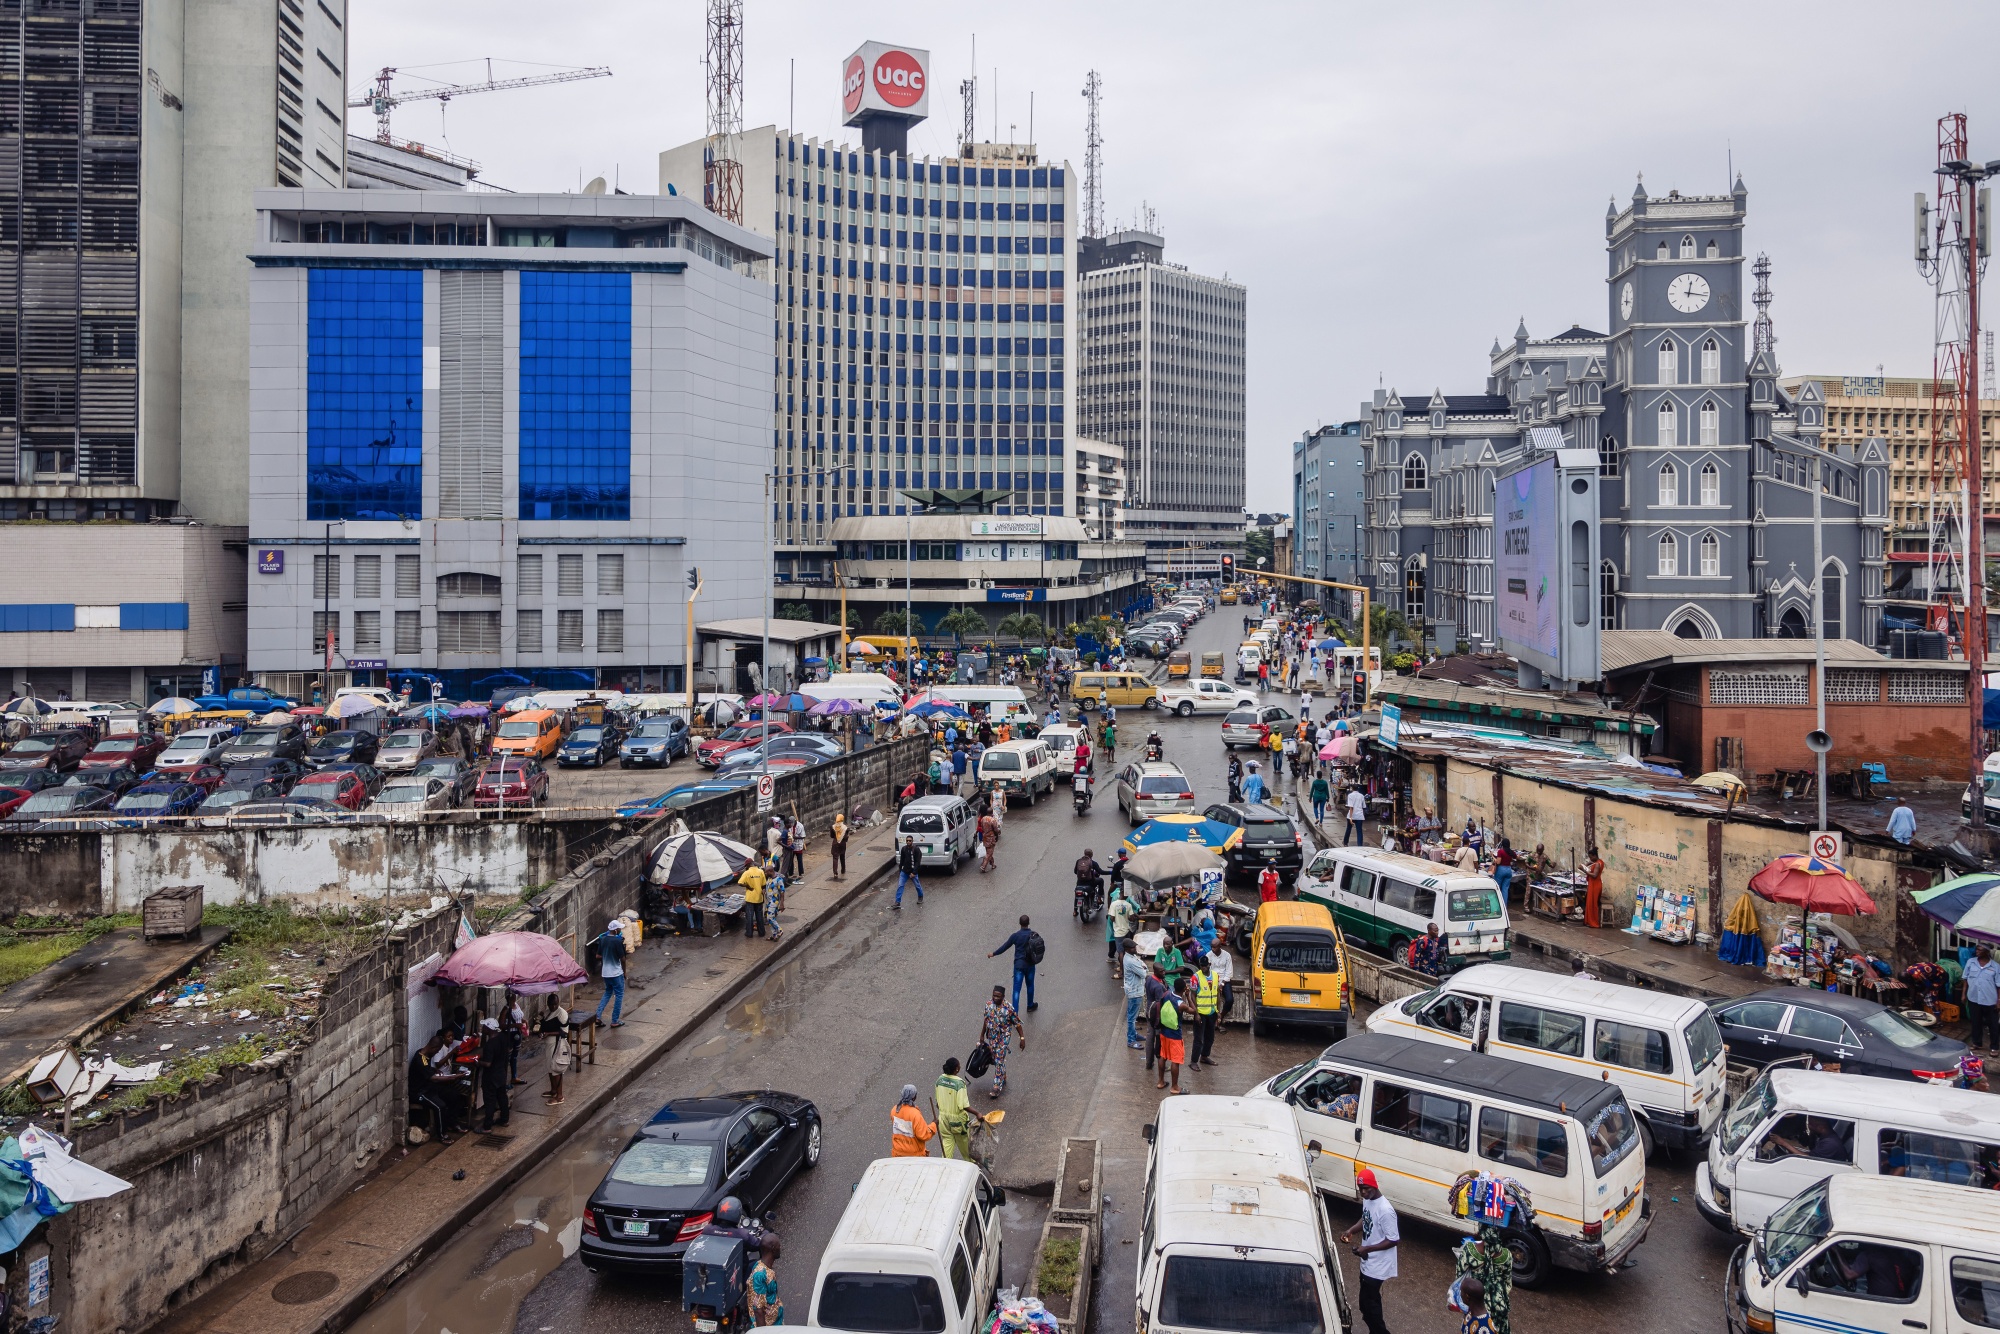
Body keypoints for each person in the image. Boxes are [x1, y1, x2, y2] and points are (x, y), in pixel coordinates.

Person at [1341, 1167, 1399, 1334]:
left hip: (1378, 1265)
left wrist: (1367, 1248)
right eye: (1361, 1189)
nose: (1363, 1193)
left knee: (1367, 1305)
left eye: (1367, 1189)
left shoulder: (1386, 1211)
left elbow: (1393, 1239)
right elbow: (1366, 1218)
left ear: (1375, 1186)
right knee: (1370, 1302)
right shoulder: (1368, 1200)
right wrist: (1351, 1230)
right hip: (1367, 1260)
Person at [1454, 1227, 1512, 1334]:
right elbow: (1507, 1285)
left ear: (1481, 1231)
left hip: (1476, 1305)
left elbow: (1459, 1279)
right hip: (1499, 1306)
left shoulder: (1469, 1251)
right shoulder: (1507, 1255)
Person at [978, 984, 1026, 1097]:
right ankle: (1002, 1075)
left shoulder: (1009, 1008)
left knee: (999, 1058)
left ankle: (996, 1087)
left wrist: (1022, 1038)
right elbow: (986, 1021)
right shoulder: (989, 1005)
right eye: (994, 995)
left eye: (998, 996)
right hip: (992, 1036)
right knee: (995, 1058)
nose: (995, 998)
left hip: (1004, 1037)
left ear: (1003, 996)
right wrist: (982, 1035)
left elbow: (1017, 1024)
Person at [990, 914, 1039, 1012]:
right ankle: (1030, 1005)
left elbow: (1005, 947)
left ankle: (1014, 1013)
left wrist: (993, 953)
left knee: (1016, 990)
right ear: (1028, 923)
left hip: (1019, 966)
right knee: (1030, 985)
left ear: (1019, 923)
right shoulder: (1033, 934)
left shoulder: (1015, 936)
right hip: (1030, 965)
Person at [476, 1015, 513, 1130]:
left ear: (489, 1029)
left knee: (490, 1100)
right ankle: (504, 1119)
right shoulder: (502, 1037)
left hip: (491, 1077)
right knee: (502, 1097)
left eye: (484, 1027)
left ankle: (487, 1126)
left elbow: (487, 1063)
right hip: (501, 1073)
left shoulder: (489, 1045)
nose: (483, 1029)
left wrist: (478, 1062)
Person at [935, 1058, 973, 1160]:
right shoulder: (959, 1083)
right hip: (957, 1122)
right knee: (964, 1143)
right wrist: (977, 1113)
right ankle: (970, 1163)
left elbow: (938, 1104)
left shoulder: (939, 1080)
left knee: (947, 1143)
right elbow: (963, 1105)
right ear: (956, 1069)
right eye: (959, 1066)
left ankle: (945, 1166)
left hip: (943, 1119)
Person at [592, 918, 627, 1026]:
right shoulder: (617, 941)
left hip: (605, 973)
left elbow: (598, 955)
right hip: (616, 973)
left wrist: (607, 955)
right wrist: (625, 972)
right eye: (619, 928)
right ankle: (615, 1020)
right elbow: (623, 959)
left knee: (608, 993)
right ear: (615, 930)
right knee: (619, 995)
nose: (620, 930)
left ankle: (597, 1016)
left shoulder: (603, 940)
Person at [1188, 952, 1221, 1067]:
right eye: (1201, 966)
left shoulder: (1216, 976)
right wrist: (1196, 1013)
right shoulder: (1195, 977)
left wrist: (1218, 1012)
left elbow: (1217, 994)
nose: (1203, 968)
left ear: (1209, 964)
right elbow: (1192, 996)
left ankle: (1204, 1056)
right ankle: (1193, 1061)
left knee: (1210, 1038)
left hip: (1212, 1012)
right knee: (1198, 1039)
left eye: (1205, 966)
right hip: (1201, 1013)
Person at [1966, 944, 2000, 1051]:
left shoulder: (1995, 966)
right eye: (1976, 949)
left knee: (1993, 1025)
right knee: (1976, 1023)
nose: (1977, 951)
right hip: (1973, 998)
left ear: (1986, 951)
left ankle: (1994, 1047)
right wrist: (1963, 994)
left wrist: (1998, 1001)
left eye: (1980, 949)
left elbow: (1999, 985)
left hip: (1990, 1000)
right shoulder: (1971, 962)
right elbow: (1965, 979)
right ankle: (1977, 1043)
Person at [747, 1232, 785, 1327]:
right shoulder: (760, 1275)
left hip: (776, 1323)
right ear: (773, 1248)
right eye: (778, 1246)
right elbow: (758, 1310)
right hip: (769, 1328)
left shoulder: (766, 1269)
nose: (780, 1248)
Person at [890, 1083, 936, 1157]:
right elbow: (923, 1135)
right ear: (914, 1097)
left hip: (897, 1154)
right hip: (913, 1156)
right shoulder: (915, 1114)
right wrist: (934, 1125)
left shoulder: (894, 1110)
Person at [1155, 985, 1185, 1093]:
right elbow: (1193, 1010)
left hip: (1164, 1032)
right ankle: (1175, 1087)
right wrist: (1189, 997)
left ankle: (1160, 1081)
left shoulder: (1167, 994)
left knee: (1163, 1056)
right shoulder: (1180, 1004)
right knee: (1175, 1061)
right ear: (1184, 989)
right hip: (1175, 1035)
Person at [1120, 939, 1149, 1050]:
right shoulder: (1130, 960)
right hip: (1134, 992)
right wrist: (1143, 968)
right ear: (1127, 949)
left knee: (1133, 1016)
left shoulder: (1132, 957)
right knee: (1131, 1018)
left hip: (1136, 990)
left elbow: (1143, 965)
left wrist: (1143, 967)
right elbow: (1143, 973)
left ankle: (1134, 1034)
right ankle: (1131, 1040)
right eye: (1133, 947)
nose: (1135, 949)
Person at [740, 858, 769, 938]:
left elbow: (740, 882)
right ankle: (761, 932)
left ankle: (749, 933)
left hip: (750, 898)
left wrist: (748, 886)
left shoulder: (747, 873)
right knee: (759, 916)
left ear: (748, 865)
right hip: (759, 897)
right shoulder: (761, 872)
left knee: (749, 916)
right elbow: (764, 884)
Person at [1107, 884, 1137, 961]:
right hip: (1126, 930)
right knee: (1126, 951)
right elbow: (1131, 918)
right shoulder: (1128, 905)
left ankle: (1121, 969)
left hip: (1118, 932)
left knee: (1120, 952)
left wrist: (1117, 919)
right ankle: (1125, 966)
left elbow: (1112, 918)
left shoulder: (1114, 904)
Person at [894, 835, 924, 909]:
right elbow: (902, 860)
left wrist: (914, 873)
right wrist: (900, 869)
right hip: (904, 872)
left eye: (910, 841)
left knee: (917, 885)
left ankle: (920, 896)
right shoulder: (904, 849)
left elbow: (917, 862)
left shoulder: (916, 850)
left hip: (913, 872)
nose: (908, 842)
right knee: (900, 885)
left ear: (912, 841)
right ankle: (897, 902)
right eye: (907, 841)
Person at [1584, 847, 1606, 929]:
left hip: (1594, 885)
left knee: (1592, 903)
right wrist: (1587, 864)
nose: (1590, 859)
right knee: (1591, 902)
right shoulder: (1599, 862)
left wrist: (1586, 871)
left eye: (1591, 857)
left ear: (1594, 856)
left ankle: (1593, 922)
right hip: (1595, 884)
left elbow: (1594, 875)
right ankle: (1589, 921)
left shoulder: (1597, 864)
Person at [829, 813, 849, 879]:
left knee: (835, 858)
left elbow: (831, 836)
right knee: (842, 857)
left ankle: (835, 873)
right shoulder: (845, 828)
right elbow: (846, 838)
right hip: (842, 844)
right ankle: (843, 870)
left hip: (835, 844)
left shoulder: (833, 827)